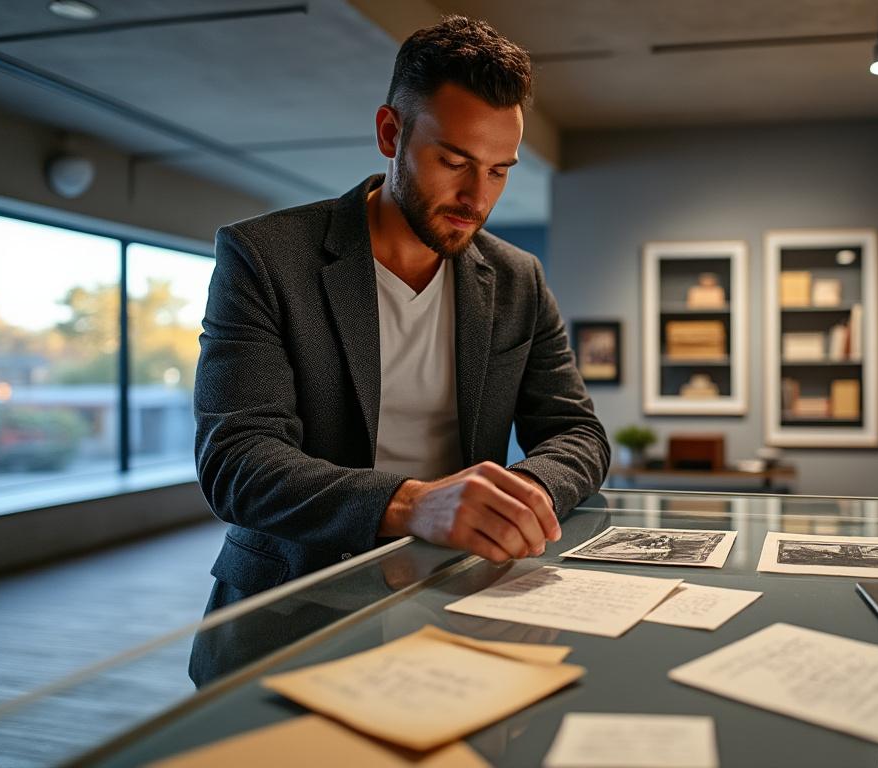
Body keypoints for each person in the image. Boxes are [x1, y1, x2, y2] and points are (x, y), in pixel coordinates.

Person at [191, 16, 610, 622]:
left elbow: (578, 434)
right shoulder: (264, 258)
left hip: (460, 589)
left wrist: (523, 496)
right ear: (391, 133)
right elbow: (238, 461)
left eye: (498, 171)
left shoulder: (519, 278)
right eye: (453, 161)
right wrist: (412, 503)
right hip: (291, 601)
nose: (478, 198)